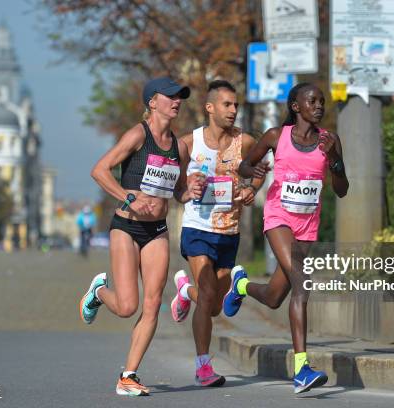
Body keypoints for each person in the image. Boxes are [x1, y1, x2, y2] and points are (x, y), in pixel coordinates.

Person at [222, 83, 349, 394]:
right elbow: (243, 165)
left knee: (275, 297)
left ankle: (240, 285)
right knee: (302, 283)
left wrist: (333, 159)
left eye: (321, 101)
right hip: (278, 218)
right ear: (296, 106)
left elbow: (342, 189)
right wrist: (257, 169)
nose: (319, 106)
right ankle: (301, 368)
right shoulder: (275, 136)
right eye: (312, 101)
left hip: (308, 225)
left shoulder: (329, 141)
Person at [78, 76, 199, 397]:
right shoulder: (137, 135)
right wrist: (128, 197)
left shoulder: (180, 147)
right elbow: (100, 170)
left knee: (153, 302)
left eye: (180, 97)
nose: (177, 101)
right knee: (126, 306)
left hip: (157, 230)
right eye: (170, 96)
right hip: (126, 227)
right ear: (152, 102)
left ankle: (128, 375)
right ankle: (99, 292)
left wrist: (192, 190)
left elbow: (179, 191)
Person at [170, 80, 264, 387]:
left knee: (211, 307)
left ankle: (184, 291)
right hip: (197, 228)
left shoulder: (246, 142)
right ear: (209, 108)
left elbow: (261, 170)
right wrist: (187, 189)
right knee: (208, 293)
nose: (233, 110)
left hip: (229, 231)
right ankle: (203, 367)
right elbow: (175, 189)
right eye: (227, 104)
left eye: (236, 105)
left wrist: (251, 189)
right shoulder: (188, 143)